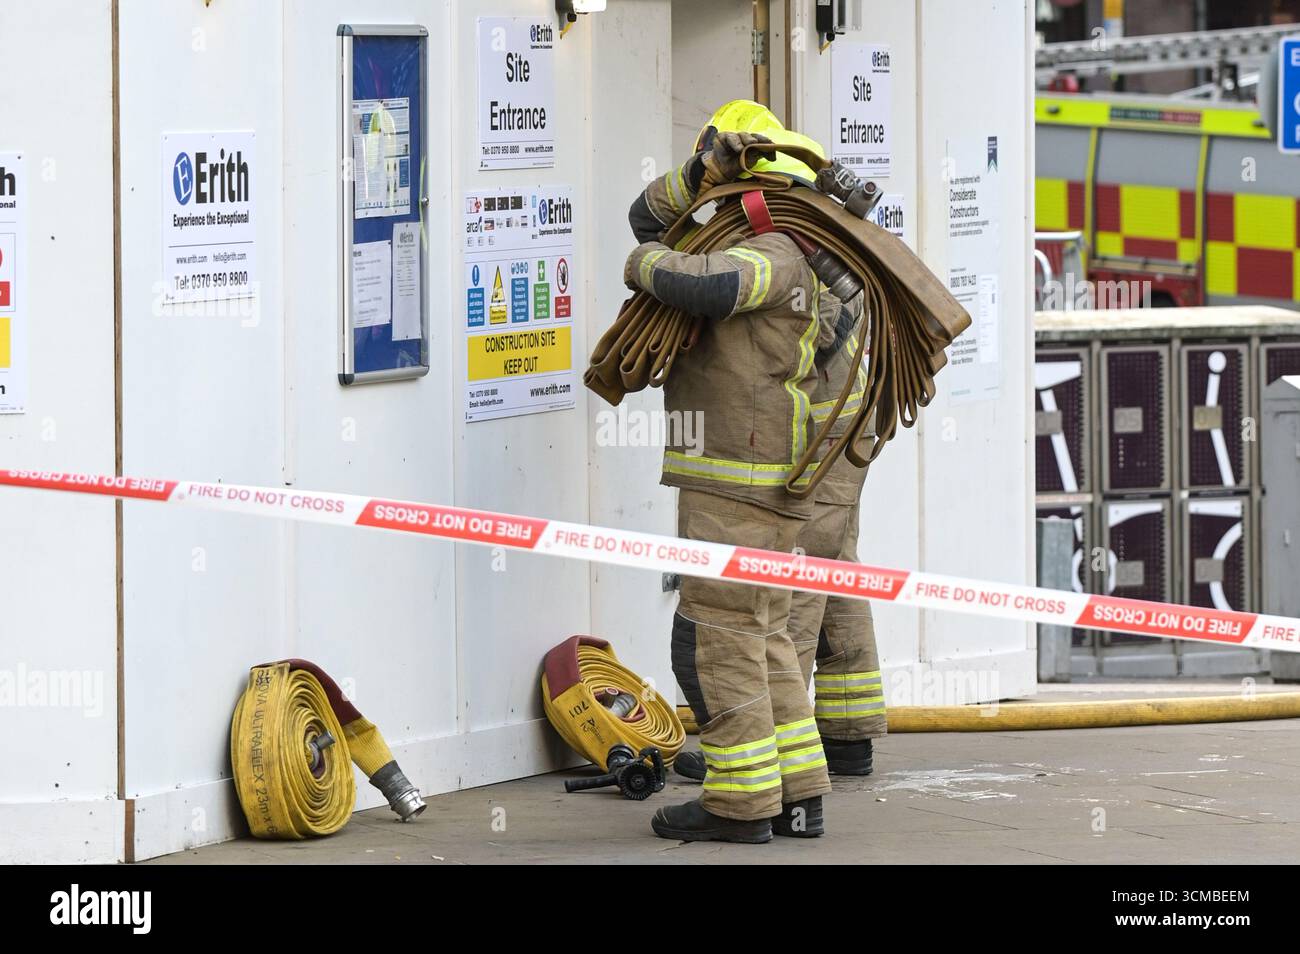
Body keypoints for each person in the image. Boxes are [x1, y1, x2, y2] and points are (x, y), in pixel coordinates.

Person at [623, 100, 860, 843]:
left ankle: (740, 802)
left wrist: (643, 267)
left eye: (732, 185)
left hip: (739, 476)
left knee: (717, 635)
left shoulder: (778, 254)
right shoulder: (793, 244)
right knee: (764, 635)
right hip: (758, 475)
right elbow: (646, 213)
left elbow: (708, 284)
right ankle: (796, 792)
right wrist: (699, 172)